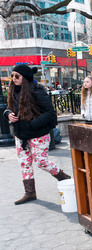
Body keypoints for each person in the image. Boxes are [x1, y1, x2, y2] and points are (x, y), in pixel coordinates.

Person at [3, 64, 71, 205]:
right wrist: (8, 114)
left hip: (38, 134)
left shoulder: (37, 92)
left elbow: (50, 113)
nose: (13, 79)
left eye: (17, 76)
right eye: (12, 76)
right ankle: (30, 193)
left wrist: (33, 125)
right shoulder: (13, 91)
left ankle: (64, 178)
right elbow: (9, 108)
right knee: (24, 163)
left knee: (41, 161)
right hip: (21, 135)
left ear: (25, 78)